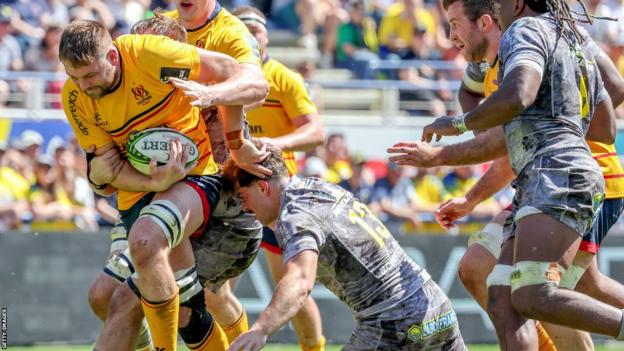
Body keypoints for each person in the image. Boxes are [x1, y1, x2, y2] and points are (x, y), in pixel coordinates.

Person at [390, 0, 624, 348]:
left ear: (494, 16)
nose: (451, 35)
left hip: (564, 176)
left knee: (538, 294)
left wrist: (458, 126)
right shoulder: (557, 39)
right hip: (546, 178)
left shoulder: (524, 33)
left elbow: (518, 97)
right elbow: (605, 124)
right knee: (502, 292)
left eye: (455, 24)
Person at [60, 19, 268, 351]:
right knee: (104, 297)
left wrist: (233, 136)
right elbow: (105, 174)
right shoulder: (75, 96)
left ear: (113, 57)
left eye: (89, 76)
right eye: (75, 77)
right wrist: (150, 179)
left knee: (166, 268)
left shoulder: (153, 56)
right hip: (142, 191)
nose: (83, 86)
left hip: (199, 180)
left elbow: (239, 76)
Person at [225, 142, 467, 351]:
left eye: (242, 197)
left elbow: (300, 281)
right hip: (436, 305)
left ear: (262, 187)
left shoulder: (294, 214)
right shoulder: (320, 187)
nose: (245, 208)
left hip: (393, 320)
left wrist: (260, 329)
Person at [228, 6, 327, 351]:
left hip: (276, 195)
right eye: (245, 30)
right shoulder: (223, 77)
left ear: (266, 35)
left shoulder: (283, 78)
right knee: (221, 285)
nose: (253, 36)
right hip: (233, 191)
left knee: (288, 283)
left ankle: (313, 347)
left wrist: (275, 144)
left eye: (257, 30)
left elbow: (316, 133)